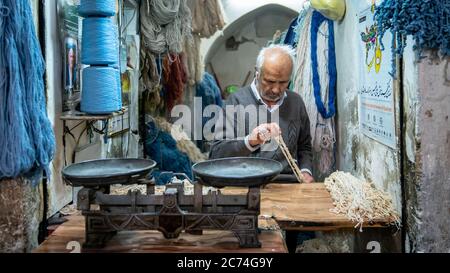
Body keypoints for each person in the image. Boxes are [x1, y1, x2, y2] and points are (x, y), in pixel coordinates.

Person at [209, 44, 314, 184]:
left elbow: (304, 146)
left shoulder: (296, 102)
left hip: (289, 184)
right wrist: (251, 141)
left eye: (283, 82)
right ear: (257, 73)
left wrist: (305, 171)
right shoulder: (235, 102)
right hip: (246, 185)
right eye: (270, 81)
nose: (276, 89)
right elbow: (216, 153)